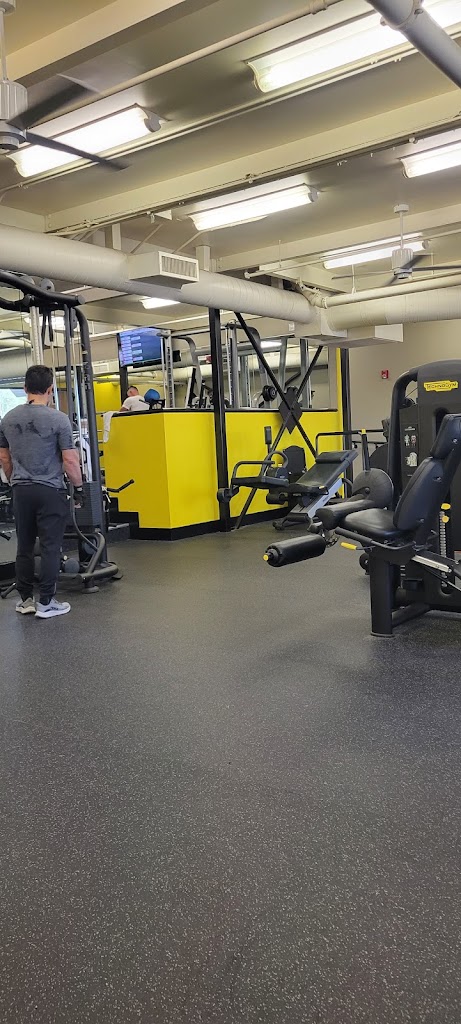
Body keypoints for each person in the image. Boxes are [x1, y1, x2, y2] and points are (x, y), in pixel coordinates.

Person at [0, 364, 84, 619]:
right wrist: (79, 488)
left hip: (21, 490)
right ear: (50, 389)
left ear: (25, 387)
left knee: (24, 546)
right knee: (50, 546)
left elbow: (4, 457)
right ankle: (46, 602)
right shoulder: (59, 419)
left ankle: (26, 600)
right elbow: (70, 460)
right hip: (50, 490)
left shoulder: (8, 418)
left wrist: (14, 481)